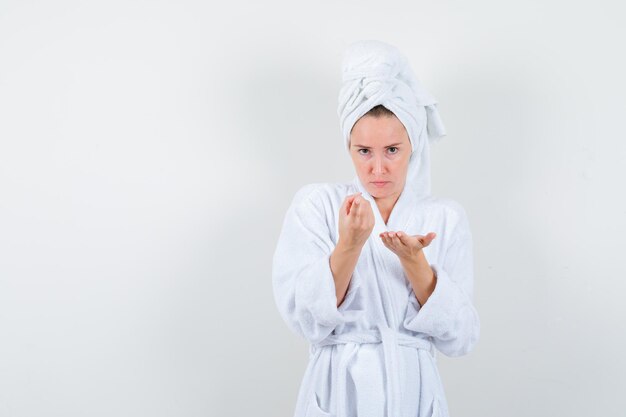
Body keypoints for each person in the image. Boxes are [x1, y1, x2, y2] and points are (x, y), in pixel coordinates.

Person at [272, 40, 480, 417]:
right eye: (364, 151)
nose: (378, 169)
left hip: (413, 393)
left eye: (393, 150)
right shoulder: (317, 205)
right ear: (348, 146)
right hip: (339, 390)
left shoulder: (445, 217)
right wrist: (349, 244)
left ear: (413, 145)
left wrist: (416, 264)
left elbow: (461, 337)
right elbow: (306, 319)